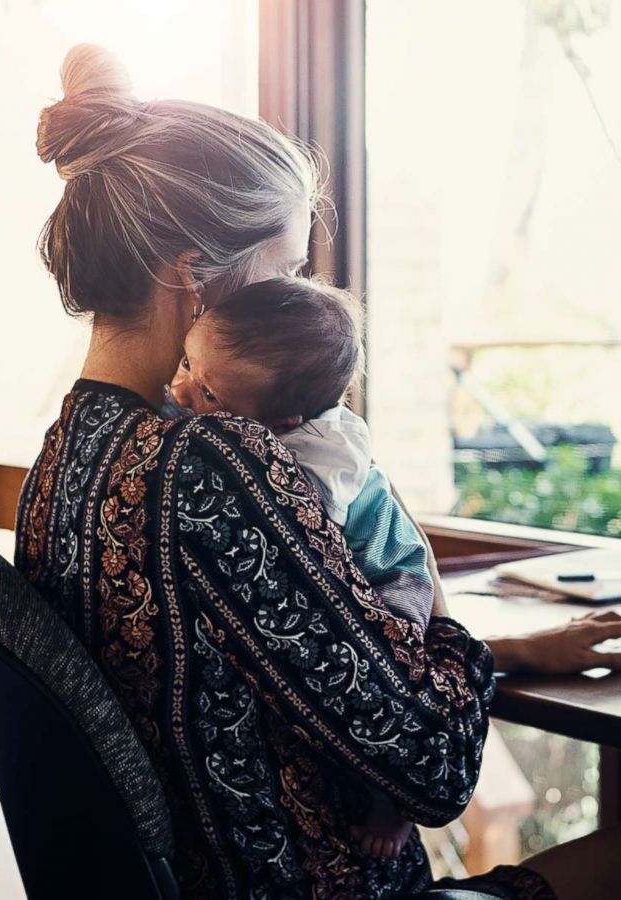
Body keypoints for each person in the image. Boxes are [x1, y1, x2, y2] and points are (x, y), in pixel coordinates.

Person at [14, 44, 621, 900]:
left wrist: (512, 652)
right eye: (285, 272)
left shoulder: (68, 453)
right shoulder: (217, 463)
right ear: (193, 274)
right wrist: (446, 615)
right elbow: (434, 769)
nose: (297, 302)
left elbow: (263, 667)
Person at [165, 276, 431, 860]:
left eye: (208, 395)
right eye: (187, 363)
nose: (182, 391)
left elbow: (305, 531)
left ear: (283, 419)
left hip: (393, 570)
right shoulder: (243, 406)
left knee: (396, 669)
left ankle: (396, 805)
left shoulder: (323, 453)